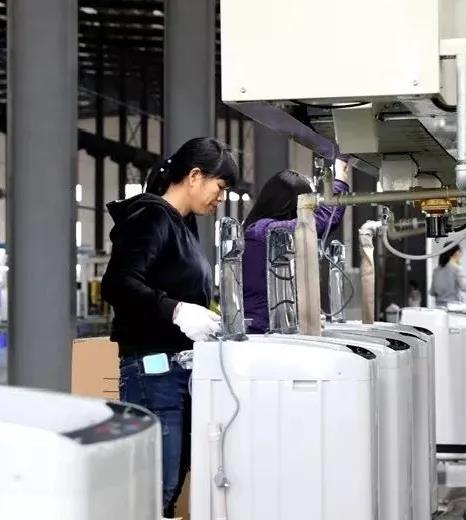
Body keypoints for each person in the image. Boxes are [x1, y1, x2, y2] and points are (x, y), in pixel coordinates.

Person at [101, 137, 237, 518]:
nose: (221, 197)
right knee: (155, 487)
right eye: (219, 187)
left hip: (178, 373)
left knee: (170, 482)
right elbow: (117, 283)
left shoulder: (183, 228)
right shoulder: (152, 217)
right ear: (194, 176)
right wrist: (175, 311)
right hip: (153, 372)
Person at [242, 158, 350, 333]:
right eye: (308, 206)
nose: (311, 211)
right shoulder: (263, 231)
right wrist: (340, 179)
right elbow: (316, 224)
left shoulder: (260, 232)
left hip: (267, 332)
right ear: (291, 204)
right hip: (259, 334)